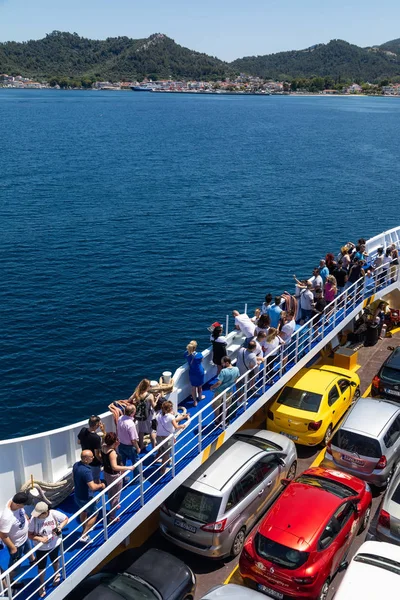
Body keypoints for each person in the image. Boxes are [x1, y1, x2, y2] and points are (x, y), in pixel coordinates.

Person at [28, 502, 68, 597]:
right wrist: (40, 539)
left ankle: (56, 574)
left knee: (55, 559)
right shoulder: (33, 520)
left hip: (54, 544)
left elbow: (65, 519)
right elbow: (30, 535)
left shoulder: (53, 514)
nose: (36, 515)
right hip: (41, 548)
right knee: (41, 566)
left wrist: (59, 527)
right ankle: (42, 585)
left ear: (45, 512)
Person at [0, 492, 36, 580]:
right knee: (15, 564)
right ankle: (9, 581)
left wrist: (27, 518)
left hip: (24, 537)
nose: (25, 506)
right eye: (24, 504)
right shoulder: (7, 517)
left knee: (28, 549)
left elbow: (22, 512)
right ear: (17, 504)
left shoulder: (14, 500)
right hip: (17, 544)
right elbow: (3, 535)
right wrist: (13, 548)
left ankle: (33, 560)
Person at [101, 432, 135, 523]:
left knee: (111, 491)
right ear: (115, 441)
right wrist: (128, 467)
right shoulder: (111, 452)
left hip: (106, 473)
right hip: (114, 475)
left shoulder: (104, 447)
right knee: (116, 495)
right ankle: (112, 517)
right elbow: (115, 467)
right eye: (117, 439)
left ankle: (114, 505)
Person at [72, 450, 105, 543]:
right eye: (91, 456)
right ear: (86, 459)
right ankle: (84, 535)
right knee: (95, 513)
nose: (93, 457)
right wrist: (101, 485)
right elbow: (93, 487)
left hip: (77, 495)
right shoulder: (86, 471)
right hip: (86, 497)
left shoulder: (76, 465)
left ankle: (85, 528)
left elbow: (74, 476)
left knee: (83, 511)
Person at [156, 401, 189, 474]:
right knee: (166, 454)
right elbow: (176, 426)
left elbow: (172, 421)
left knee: (161, 449)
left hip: (158, 437)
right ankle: (163, 469)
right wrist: (182, 426)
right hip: (167, 438)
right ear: (170, 408)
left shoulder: (159, 415)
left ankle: (156, 458)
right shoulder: (171, 417)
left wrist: (183, 417)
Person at [210, 356, 240, 426]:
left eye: (223, 363)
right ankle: (224, 420)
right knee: (226, 406)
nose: (222, 365)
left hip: (220, 391)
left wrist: (212, 387)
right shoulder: (236, 369)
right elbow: (236, 380)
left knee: (216, 406)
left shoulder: (223, 371)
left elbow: (219, 383)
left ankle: (217, 421)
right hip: (229, 391)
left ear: (227, 363)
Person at [131, 379, 157, 452]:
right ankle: (153, 447)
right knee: (152, 431)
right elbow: (154, 406)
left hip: (140, 416)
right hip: (150, 416)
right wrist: (157, 399)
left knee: (141, 431)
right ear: (147, 386)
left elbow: (129, 399)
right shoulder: (150, 395)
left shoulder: (136, 394)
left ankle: (141, 445)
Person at [77, 416, 105, 483]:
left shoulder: (83, 430)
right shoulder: (96, 438)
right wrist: (103, 461)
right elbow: (97, 455)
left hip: (85, 460)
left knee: (88, 478)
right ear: (96, 425)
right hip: (94, 463)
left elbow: (79, 442)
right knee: (95, 479)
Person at [117, 405, 140, 469]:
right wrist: (138, 448)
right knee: (136, 462)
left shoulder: (120, 418)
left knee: (122, 463)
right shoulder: (130, 424)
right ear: (132, 413)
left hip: (120, 444)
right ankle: (137, 478)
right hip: (130, 447)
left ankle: (123, 478)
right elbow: (133, 440)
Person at [184, 340, 205, 407]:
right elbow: (202, 360)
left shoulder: (186, 354)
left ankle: (195, 401)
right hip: (199, 372)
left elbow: (186, 356)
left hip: (192, 372)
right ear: (195, 347)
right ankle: (200, 397)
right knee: (200, 386)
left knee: (193, 387)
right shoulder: (199, 355)